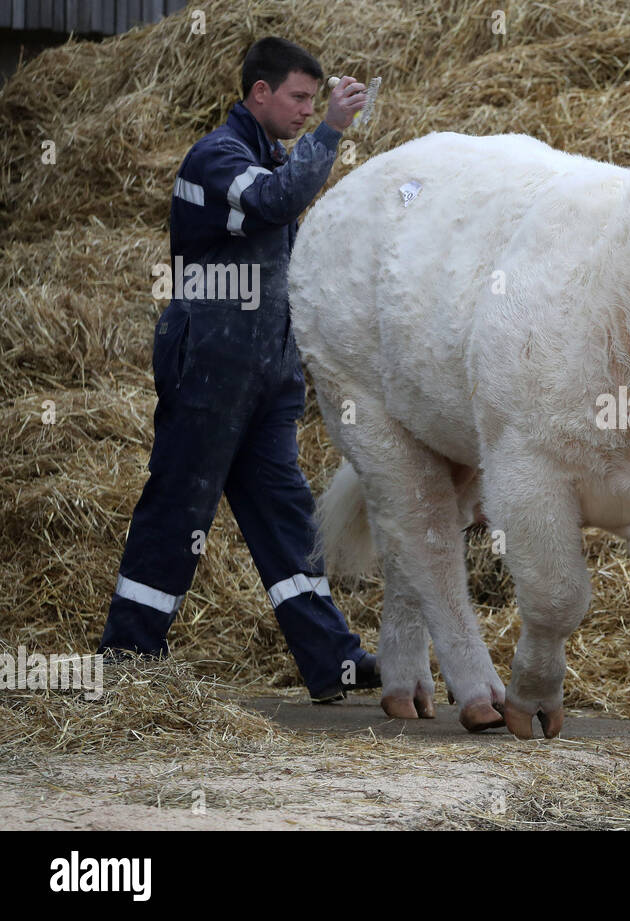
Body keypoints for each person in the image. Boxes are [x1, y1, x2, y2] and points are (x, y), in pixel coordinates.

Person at [99, 37, 378, 703]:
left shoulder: (271, 154)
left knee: (285, 517)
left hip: (265, 375)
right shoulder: (217, 158)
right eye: (299, 98)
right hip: (210, 367)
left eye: (316, 101)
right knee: (179, 506)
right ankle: (129, 656)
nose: (308, 111)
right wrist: (336, 130)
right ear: (260, 93)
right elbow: (276, 201)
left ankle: (330, 658)